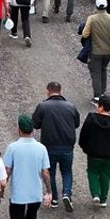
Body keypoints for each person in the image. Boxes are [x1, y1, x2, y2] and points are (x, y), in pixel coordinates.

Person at [4, 115, 51, 219]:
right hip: (35, 192)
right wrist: (49, 192)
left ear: (19, 129)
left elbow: (7, 171)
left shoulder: (12, 148)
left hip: (18, 193)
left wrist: (2, 188)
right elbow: (45, 172)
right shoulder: (41, 148)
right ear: (33, 130)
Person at [31, 81, 79, 211]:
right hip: (67, 146)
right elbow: (76, 123)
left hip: (49, 146)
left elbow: (35, 124)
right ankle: (67, 194)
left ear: (48, 91)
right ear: (60, 91)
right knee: (67, 171)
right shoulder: (71, 106)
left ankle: (54, 199)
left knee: (50, 172)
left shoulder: (43, 106)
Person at [79, 95, 110, 207]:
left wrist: (84, 147)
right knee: (106, 176)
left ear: (101, 107)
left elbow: (83, 134)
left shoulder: (91, 118)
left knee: (92, 172)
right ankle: (103, 200)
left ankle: (96, 194)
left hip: (94, 154)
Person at [82, 0, 110, 102]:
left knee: (96, 73)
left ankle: (97, 96)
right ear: (106, 6)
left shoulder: (92, 18)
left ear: (96, 6)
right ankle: (102, 92)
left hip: (95, 50)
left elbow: (85, 34)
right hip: (108, 51)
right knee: (103, 70)